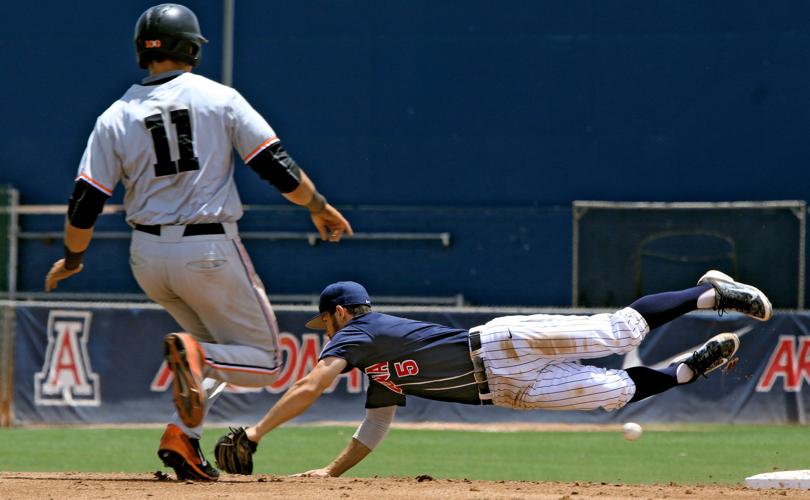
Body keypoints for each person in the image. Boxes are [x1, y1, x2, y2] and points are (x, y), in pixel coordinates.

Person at [43, 3, 353, 482]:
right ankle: (195, 357)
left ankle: (181, 439)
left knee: (214, 348)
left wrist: (72, 257)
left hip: (146, 257)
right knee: (267, 362)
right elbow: (274, 164)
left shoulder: (114, 115)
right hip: (207, 249)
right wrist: (316, 204)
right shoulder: (217, 97)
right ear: (190, 47)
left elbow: (85, 199)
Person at [214, 270, 771, 477]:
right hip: (508, 388)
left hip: (501, 344)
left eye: (324, 321)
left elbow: (311, 385)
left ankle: (709, 292)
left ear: (338, 313)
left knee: (618, 334)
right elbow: (374, 428)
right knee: (614, 393)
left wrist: (257, 433)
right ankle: (686, 372)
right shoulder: (376, 363)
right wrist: (330, 474)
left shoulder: (356, 333)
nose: (322, 330)